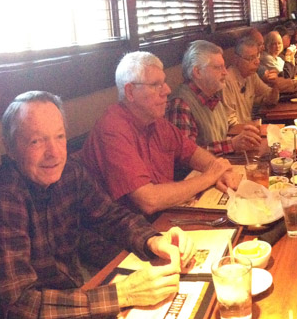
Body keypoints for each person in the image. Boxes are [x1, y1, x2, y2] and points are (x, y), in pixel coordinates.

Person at [0, 91, 196, 319]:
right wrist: (124, 293)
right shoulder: (2, 198)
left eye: (60, 137)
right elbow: (20, 307)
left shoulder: (70, 172)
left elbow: (110, 216)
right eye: (36, 141)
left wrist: (153, 240)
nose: (54, 152)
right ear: (10, 147)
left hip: (72, 295)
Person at [81, 51, 238, 216]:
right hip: (124, 232)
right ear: (130, 92)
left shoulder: (156, 121)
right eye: (156, 85)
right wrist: (209, 177)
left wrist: (221, 172)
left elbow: (193, 153)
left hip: (161, 218)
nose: (167, 90)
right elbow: (149, 201)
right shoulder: (112, 129)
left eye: (164, 83)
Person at [166, 40, 261, 156]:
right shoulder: (181, 104)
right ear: (197, 72)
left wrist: (243, 139)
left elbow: (221, 137)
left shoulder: (213, 96)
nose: (225, 72)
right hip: (199, 173)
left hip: (219, 166)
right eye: (218, 68)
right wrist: (232, 144)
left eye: (224, 67)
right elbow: (186, 154)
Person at [223, 36, 280, 124]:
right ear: (236, 59)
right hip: (236, 135)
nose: (257, 62)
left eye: (257, 56)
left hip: (248, 131)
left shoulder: (251, 76)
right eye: (251, 58)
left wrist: (275, 85)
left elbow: (271, 100)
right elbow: (230, 123)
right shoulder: (227, 81)